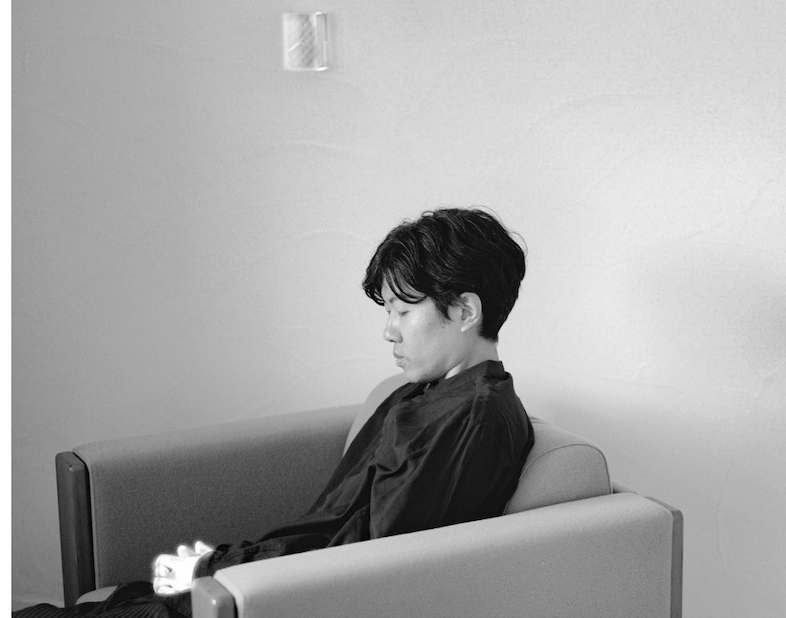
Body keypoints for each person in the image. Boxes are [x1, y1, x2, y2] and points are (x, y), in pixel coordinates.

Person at [17, 207, 534, 618]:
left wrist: (219, 569)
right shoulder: (425, 392)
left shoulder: (472, 417)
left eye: (402, 311)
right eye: (387, 313)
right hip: (264, 575)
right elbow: (336, 524)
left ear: (466, 311)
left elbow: (369, 560)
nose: (388, 330)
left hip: (281, 596)